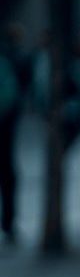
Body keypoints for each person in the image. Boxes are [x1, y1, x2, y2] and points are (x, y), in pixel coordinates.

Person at [0, 25, 24, 249]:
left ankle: (8, 222)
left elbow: (9, 96)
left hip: (4, 131)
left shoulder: (4, 63)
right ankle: (8, 222)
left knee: (7, 176)